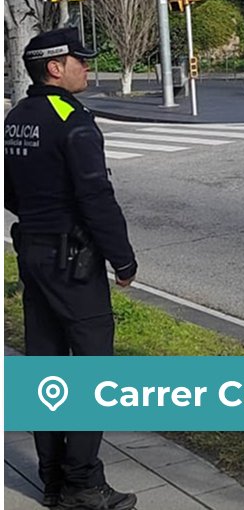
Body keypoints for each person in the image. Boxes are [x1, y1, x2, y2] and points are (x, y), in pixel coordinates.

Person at [4, 28, 138, 510]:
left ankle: (52, 480)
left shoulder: (17, 116)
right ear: (54, 68)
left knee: (45, 369)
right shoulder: (73, 119)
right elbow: (95, 196)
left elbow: (9, 192)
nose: (85, 66)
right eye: (79, 60)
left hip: (34, 254)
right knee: (91, 373)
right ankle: (83, 483)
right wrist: (121, 258)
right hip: (72, 261)